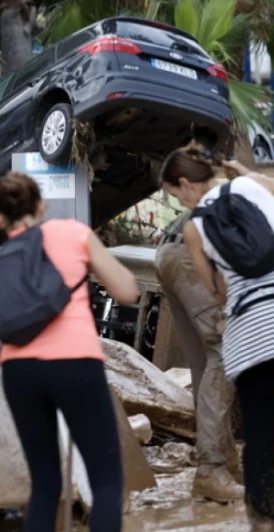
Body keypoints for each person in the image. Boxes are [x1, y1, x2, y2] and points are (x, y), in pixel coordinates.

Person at [160, 146, 274, 532]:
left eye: (178, 195)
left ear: (187, 184)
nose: (182, 201)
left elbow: (218, 292)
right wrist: (245, 171)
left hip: (254, 323)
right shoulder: (252, 182)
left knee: (257, 426)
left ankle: (262, 519)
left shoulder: (194, 226)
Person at [0, 172, 140, 532]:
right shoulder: (72, 233)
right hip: (76, 364)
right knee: (106, 480)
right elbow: (128, 291)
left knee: (45, 484)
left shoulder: (4, 256)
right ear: (41, 205)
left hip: (18, 370)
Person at [156, 213, 245, 502]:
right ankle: (212, 469)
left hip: (169, 252)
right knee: (225, 353)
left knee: (205, 362)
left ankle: (226, 462)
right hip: (191, 258)